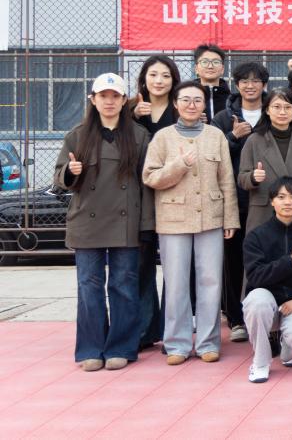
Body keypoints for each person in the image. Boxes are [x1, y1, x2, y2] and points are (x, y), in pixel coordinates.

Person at [56, 73, 152, 372]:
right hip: (87, 221)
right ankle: (91, 348)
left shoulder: (138, 135)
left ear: (124, 101)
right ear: (93, 99)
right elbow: (60, 177)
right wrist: (70, 171)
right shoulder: (76, 135)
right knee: (89, 286)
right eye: (103, 96)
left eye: (115, 96)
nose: (109, 101)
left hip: (126, 221)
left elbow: (146, 183)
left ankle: (121, 346)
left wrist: (146, 225)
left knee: (123, 285)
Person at [143, 81, 240, 365]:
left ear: (203, 105)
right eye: (185, 100)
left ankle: (209, 342)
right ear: (175, 104)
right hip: (173, 219)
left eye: (197, 100)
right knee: (175, 283)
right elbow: (150, 177)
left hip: (211, 216)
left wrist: (230, 218)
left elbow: (226, 179)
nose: (191, 105)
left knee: (211, 281)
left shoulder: (215, 135)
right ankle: (177, 343)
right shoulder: (162, 138)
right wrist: (179, 165)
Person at [242, 176, 292, 383]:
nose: (287, 202)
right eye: (281, 197)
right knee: (256, 301)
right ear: (272, 201)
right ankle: (260, 362)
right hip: (267, 304)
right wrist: (290, 262)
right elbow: (255, 276)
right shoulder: (256, 236)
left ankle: (290, 349)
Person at [212, 61, 269, 343]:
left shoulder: (274, 111)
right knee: (233, 261)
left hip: (268, 198)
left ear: (264, 85)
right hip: (234, 198)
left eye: (256, 80)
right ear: (236, 85)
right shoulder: (224, 117)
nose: (250, 85)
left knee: (264, 258)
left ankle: (266, 315)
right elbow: (212, 151)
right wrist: (233, 137)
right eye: (244, 80)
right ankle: (235, 318)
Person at [129, 54, 180, 351]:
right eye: (153, 75)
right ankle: (144, 330)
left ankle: (171, 331)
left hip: (175, 195)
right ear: (144, 79)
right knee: (142, 264)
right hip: (140, 197)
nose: (159, 81)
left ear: (174, 80)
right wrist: (131, 115)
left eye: (165, 75)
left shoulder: (181, 109)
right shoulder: (130, 109)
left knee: (175, 269)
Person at [237, 89, 292, 232]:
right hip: (264, 212)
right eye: (277, 107)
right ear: (267, 110)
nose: (282, 112)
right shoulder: (254, 140)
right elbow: (242, 179)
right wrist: (253, 177)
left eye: (288, 107)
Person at [193, 43, 231, 123]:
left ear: (222, 69)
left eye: (216, 62)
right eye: (204, 62)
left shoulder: (232, 100)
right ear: (196, 69)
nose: (210, 66)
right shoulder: (187, 98)